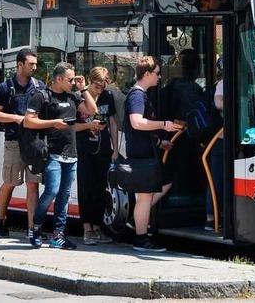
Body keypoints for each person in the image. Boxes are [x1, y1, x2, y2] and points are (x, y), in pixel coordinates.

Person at [25, 62, 97, 249]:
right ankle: (36, 228)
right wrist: (54, 122)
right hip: (52, 152)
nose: (73, 82)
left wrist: (84, 88)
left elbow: (91, 110)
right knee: (51, 192)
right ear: (58, 79)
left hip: (71, 153)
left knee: (64, 196)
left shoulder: (73, 95)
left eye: (74, 79)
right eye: (70, 79)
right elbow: (28, 122)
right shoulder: (42, 96)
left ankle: (58, 235)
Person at [124, 56, 178, 252]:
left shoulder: (140, 95)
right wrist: (164, 125)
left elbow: (140, 130)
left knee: (163, 183)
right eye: (156, 73)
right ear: (146, 74)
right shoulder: (137, 95)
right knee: (145, 196)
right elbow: (137, 123)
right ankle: (141, 239)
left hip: (146, 150)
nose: (159, 77)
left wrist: (159, 141)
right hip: (142, 154)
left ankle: (137, 221)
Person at [0, 48, 45, 237]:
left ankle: (32, 229)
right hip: (13, 141)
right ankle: (1, 217)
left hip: (35, 142)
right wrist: (15, 118)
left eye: (36, 64)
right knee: (10, 182)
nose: (34, 68)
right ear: (19, 64)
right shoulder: (5, 87)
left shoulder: (39, 86)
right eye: (31, 64)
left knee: (33, 184)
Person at [75, 67, 118, 245]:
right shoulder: (78, 96)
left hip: (103, 147)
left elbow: (113, 122)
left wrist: (115, 148)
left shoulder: (108, 96)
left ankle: (98, 227)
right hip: (84, 148)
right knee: (85, 187)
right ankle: (87, 229)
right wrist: (89, 125)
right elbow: (71, 126)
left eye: (103, 85)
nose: (100, 88)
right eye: (97, 85)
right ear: (90, 82)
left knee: (101, 188)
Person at [205, 57, 224, 232]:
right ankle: (211, 217)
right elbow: (218, 102)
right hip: (221, 139)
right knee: (216, 179)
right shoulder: (223, 83)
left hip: (228, 138)